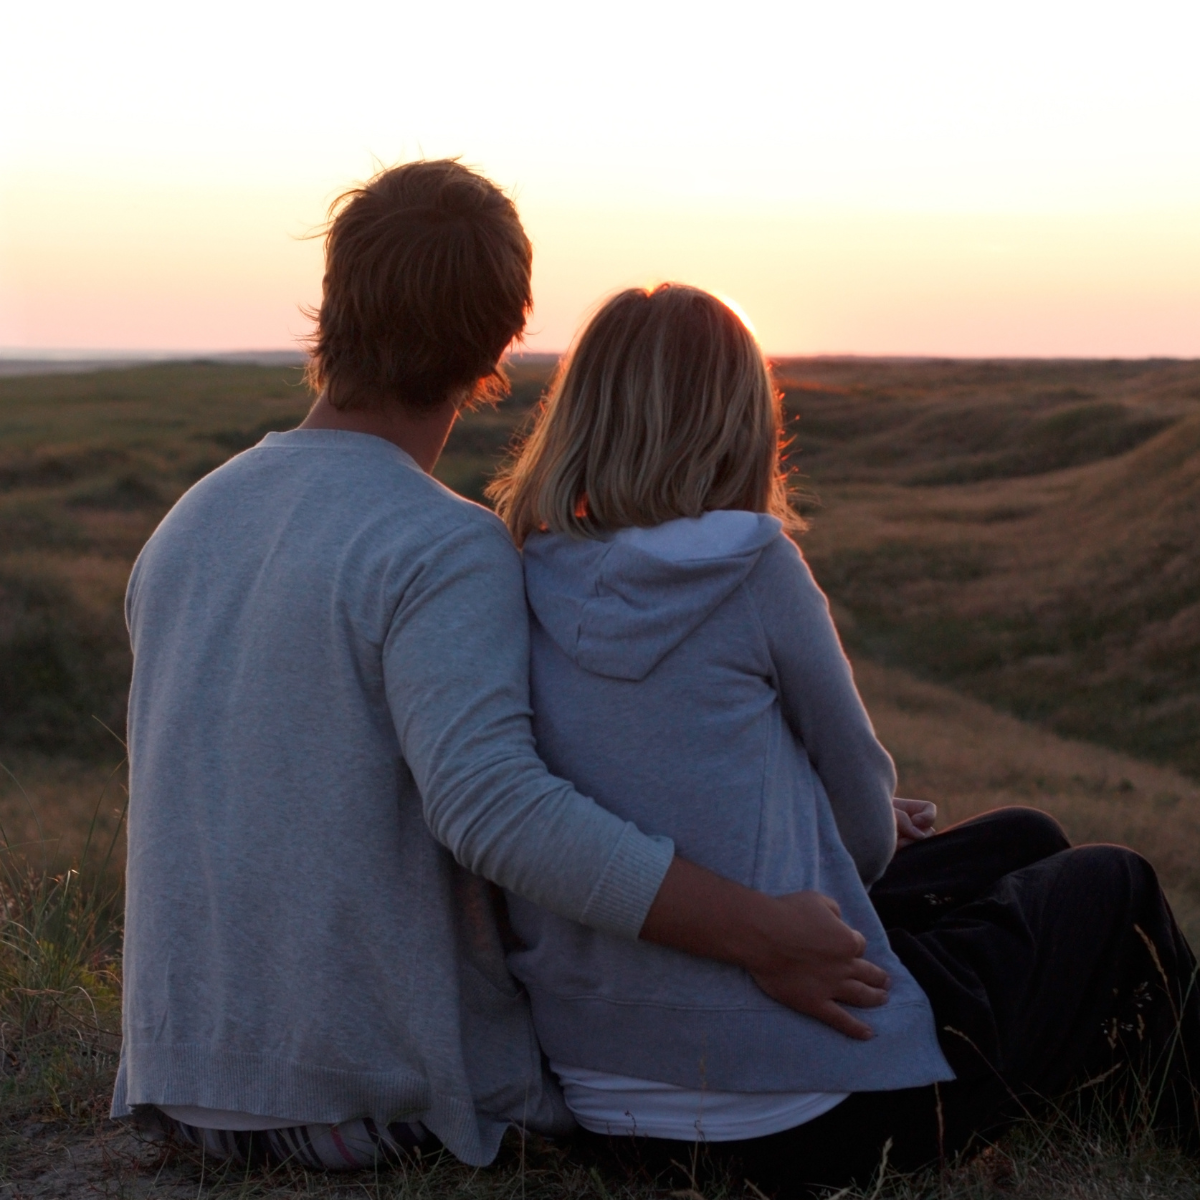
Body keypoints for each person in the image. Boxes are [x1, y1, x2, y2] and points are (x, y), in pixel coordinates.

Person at [111, 161, 893, 1172]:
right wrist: (758, 933)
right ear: (499, 344)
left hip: (184, 1087)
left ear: (331, 306)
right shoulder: (441, 544)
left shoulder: (191, 523)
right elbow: (494, 808)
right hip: (366, 1096)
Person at [488, 282, 1200, 1195]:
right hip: (795, 1111)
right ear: (738, 420)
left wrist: (807, 828)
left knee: (1023, 839)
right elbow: (864, 831)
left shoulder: (526, 565)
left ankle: (1115, 1102)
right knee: (1116, 885)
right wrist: (852, 830)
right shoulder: (750, 562)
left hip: (603, 1095)